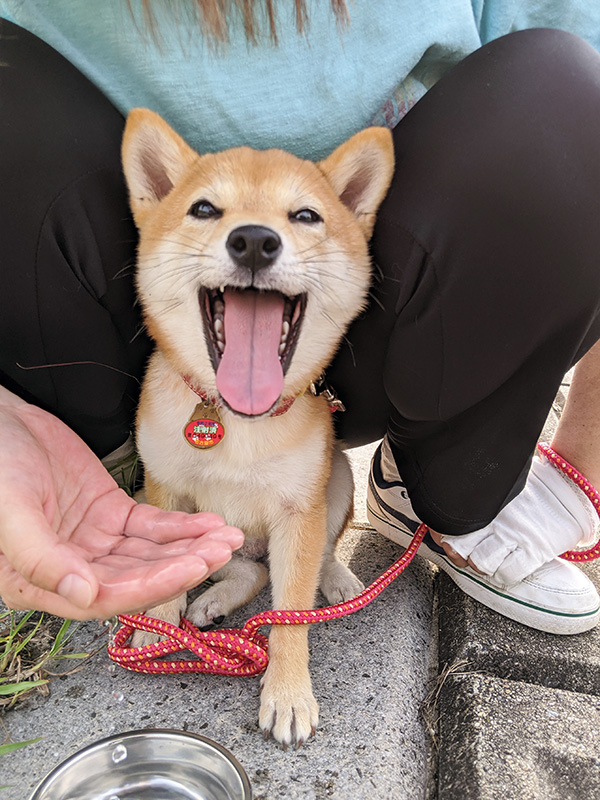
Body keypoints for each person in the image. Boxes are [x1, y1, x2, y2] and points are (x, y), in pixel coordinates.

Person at [1, 0, 600, 632]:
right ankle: (93, 455)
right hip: (104, 315)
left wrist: (581, 461)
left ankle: (446, 467)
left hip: (380, 327)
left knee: (569, 99)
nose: (253, 238)